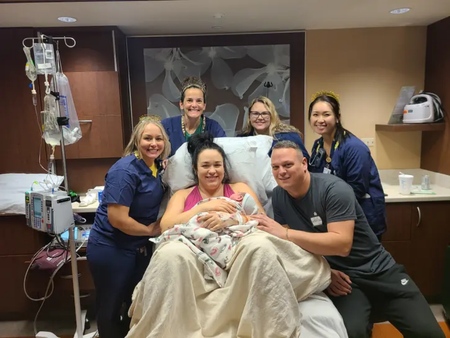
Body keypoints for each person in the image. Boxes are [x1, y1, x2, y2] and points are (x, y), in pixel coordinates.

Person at [125, 133, 331, 338]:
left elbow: (260, 219)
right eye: (205, 166)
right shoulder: (184, 194)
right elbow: (167, 225)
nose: (212, 171)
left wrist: (230, 220)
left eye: (217, 165)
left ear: (224, 168)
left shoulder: (239, 188)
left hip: (238, 252)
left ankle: (267, 329)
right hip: (193, 252)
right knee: (168, 254)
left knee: (260, 247)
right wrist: (204, 207)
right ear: (196, 170)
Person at [252, 140, 445, 338]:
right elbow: (291, 248)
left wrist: (285, 233)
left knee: (430, 334)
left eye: (287, 165)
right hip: (345, 281)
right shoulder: (279, 196)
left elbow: (342, 244)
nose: (281, 172)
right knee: (353, 332)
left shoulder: (333, 189)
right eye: (275, 167)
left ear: (304, 163)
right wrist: (323, 271)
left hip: (380, 271)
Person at [86, 115, 171, 338]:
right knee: (111, 307)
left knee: (134, 303)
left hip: (135, 249)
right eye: (147, 138)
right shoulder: (125, 172)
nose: (154, 143)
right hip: (111, 248)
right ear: (136, 141)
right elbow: (117, 218)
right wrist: (150, 231)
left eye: (158, 139)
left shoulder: (154, 166)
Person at [308, 91, 387, 240]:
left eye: (326, 114)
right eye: (315, 114)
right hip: (334, 216)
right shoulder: (318, 146)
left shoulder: (353, 147)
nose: (320, 120)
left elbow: (357, 188)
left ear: (338, 117)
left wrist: (328, 209)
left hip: (362, 216)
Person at [161, 76, 226, 157]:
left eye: (199, 101)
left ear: (204, 105)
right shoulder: (166, 126)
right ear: (181, 104)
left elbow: (223, 154)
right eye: (189, 100)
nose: (194, 105)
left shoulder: (214, 128)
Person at [238, 95, 310, 160]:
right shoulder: (242, 139)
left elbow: (304, 162)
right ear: (249, 116)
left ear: (272, 115)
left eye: (264, 113)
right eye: (255, 113)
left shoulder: (289, 136)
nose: (260, 117)